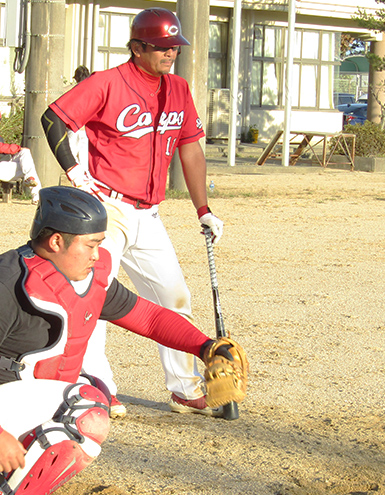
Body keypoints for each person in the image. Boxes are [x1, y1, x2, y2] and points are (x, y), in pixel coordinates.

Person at [0, 186, 222, 495]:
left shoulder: (77, 277)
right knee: (85, 409)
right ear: (57, 242)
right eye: (90, 244)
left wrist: (206, 347)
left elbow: (148, 318)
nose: (97, 254)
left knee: (93, 389)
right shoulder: (0, 282)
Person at [41, 8, 225, 418]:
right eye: (160, 46)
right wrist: (74, 170)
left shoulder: (178, 88)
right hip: (108, 208)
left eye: (174, 46)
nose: (169, 53)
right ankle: (97, 385)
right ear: (137, 47)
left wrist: (203, 209)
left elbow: (190, 148)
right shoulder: (107, 82)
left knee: (174, 297)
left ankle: (184, 387)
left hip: (150, 214)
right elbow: (52, 118)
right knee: (96, 293)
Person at [0, 108, 42, 203]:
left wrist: (20, 150)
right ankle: (36, 196)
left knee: (26, 153)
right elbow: (1, 148)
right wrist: (18, 148)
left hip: (2, 166)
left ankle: (32, 188)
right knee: (29, 167)